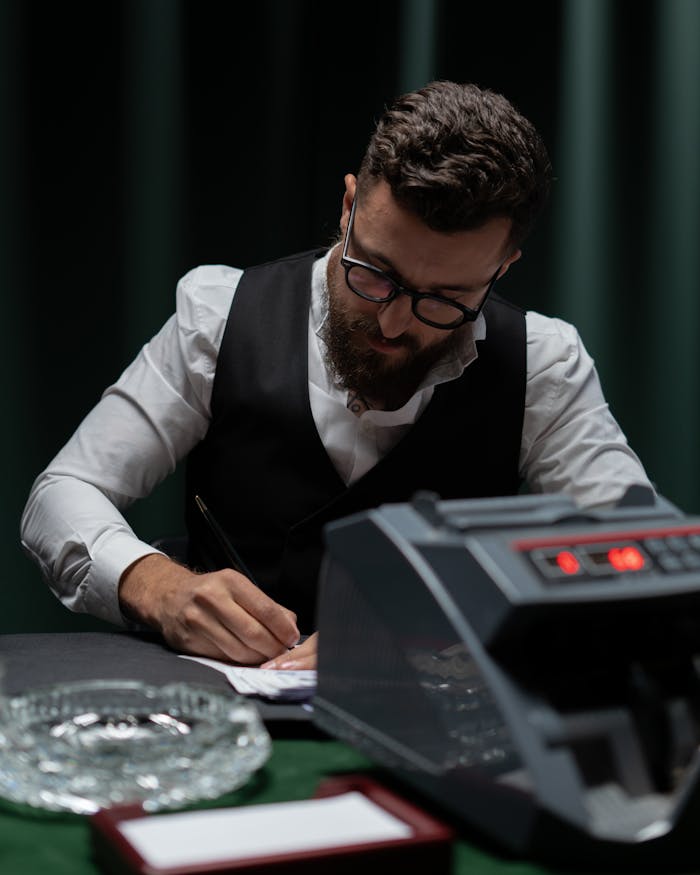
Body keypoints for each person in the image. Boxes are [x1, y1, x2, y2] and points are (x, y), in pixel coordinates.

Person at [21, 80, 653, 671]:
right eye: (374, 273)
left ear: (503, 267)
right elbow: (62, 492)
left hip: (437, 725)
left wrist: (457, 614)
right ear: (351, 204)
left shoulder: (542, 363)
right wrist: (156, 585)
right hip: (222, 708)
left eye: (445, 299)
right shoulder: (218, 315)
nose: (396, 322)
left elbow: (636, 556)